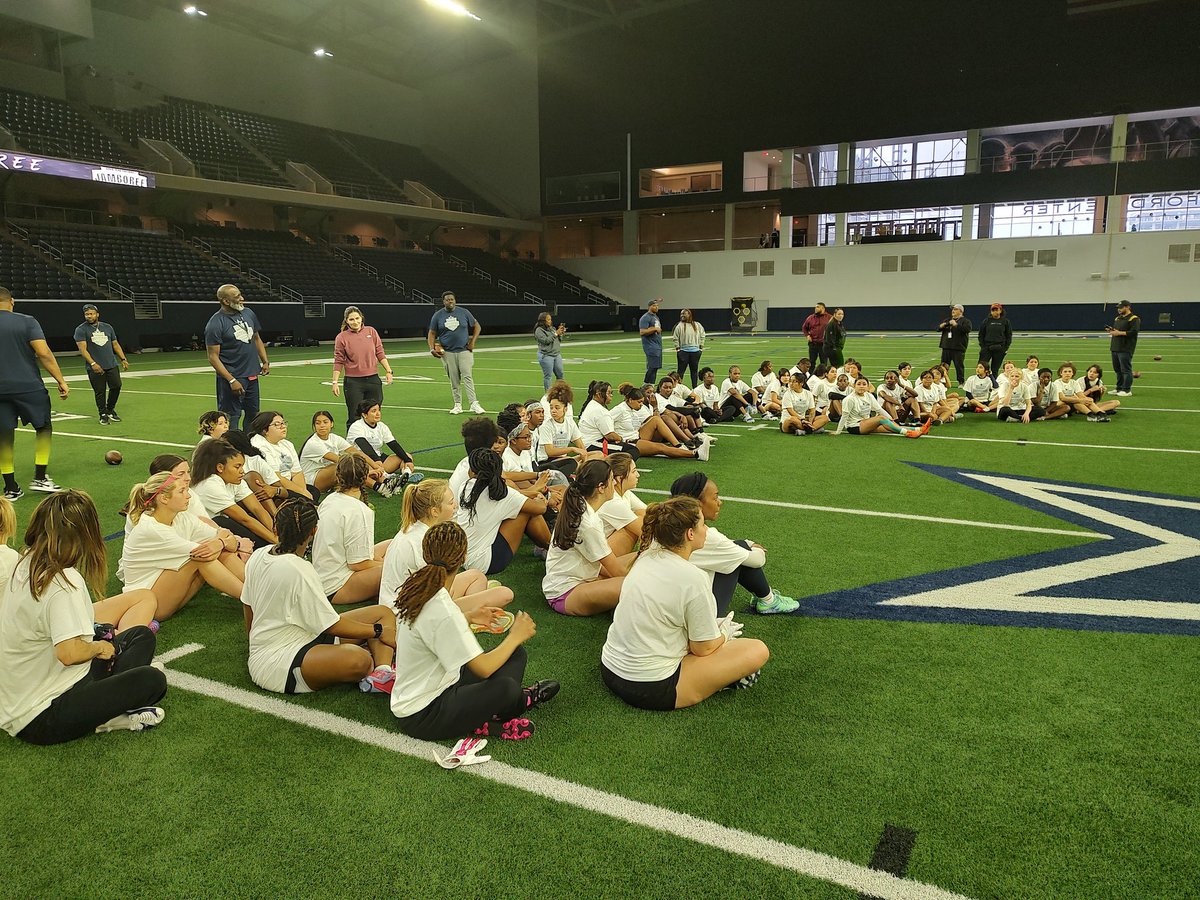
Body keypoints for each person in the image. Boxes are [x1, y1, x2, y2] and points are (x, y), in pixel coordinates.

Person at [0, 490, 167, 745]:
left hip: (25, 697)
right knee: (152, 680)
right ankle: (108, 715)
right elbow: (69, 654)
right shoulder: (64, 582)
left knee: (140, 636)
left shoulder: (24, 562)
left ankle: (108, 705)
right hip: (42, 714)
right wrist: (99, 646)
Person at [390, 521, 558, 742]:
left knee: (516, 655)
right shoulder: (442, 607)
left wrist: (468, 617)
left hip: (438, 687)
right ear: (463, 557)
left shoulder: (419, 588)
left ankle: (487, 714)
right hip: (425, 714)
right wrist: (516, 635)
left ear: (426, 552)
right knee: (507, 687)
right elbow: (484, 668)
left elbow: (432, 627)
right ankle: (500, 713)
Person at [600, 495, 769, 711]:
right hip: (651, 686)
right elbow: (702, 648)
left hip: (610, 668)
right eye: (702, 524)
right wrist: (724, 633)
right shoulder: (692, 577)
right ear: (690, 534)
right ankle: (721, 680)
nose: (706, 529)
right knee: (757, 650)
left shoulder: (646, 556)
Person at [242, 497, 398, 696]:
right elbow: (331, 625)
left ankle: (382, 672)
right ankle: (374, 661)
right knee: (359, 660)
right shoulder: (299, 569)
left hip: (307, 635)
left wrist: (252, 639)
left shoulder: (259, 554)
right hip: (281, 659)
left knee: (382, 613)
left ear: (276, 528)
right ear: (313, 531)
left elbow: (247, 605)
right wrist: (376, 632)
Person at [669, 473, 800, 617]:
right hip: (698, 619)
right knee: (738, 555)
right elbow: (757, 561)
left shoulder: (667, 525)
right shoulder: (707, 537)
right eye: (715, 497)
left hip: (669, 607)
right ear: (698, 505)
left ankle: (768, 599)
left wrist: (745, 544)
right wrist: (754, 548)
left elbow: (723, 547)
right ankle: (769, 600)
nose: (720, 502)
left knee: (737, 549)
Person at [121, 472, 246, 620]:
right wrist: (221, 540)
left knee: (220, 551)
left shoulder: (182, 517)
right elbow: (206, 552)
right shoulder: (152, 529)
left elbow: (230, 544)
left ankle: (259, 590)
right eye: (182, 491)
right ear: (164, 498)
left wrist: (221, 542)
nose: (188, 496)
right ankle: (253, 599)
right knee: (200, 557)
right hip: (149, 604)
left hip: (169, 590)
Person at [381, 479, 513, 617]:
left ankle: (472, 610)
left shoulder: (414, 529)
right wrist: (457, 559)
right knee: (505, 594)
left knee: (477, 575)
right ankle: (470, 617)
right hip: (412, 615)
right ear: (434, 511)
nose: (455, 505)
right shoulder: (427, 542)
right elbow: (438, 596)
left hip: (406, 604)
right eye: (450, 502)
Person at [0, 285, 68, 500]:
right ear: (12, 301)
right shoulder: (27, 321)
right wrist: (60, 380)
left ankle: (10, 487)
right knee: (44, 427)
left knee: (3, 437)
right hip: (28, 386)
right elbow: (43, 352)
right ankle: (40, 477)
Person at [542, 459, 634, 617]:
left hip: (583, 580)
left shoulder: (582, 507)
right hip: (566, 592)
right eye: (612, 479)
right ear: (600, 487)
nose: (615, 483)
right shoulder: (587, 521)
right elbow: (615, 570)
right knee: (634, 585)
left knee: (642, 558)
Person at [455, 448, 549, 575]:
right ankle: (554, 549)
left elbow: (516, 495)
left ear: (472, 472)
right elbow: (540, 508)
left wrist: (534, 492)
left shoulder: (465, 486)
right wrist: (540, 498)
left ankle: (546, 548)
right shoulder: (503, 494)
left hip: (462, 556)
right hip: (486, 563)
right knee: (527, 510)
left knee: (522, 505)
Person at [312, 456, 390, 604]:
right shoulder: (359, 511)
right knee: (398, 567)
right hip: (336, 586)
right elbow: (357, 564)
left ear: (338, 476)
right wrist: (387, 564)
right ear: (365, 477)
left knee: (393, 544)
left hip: (325, 577)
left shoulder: (330, 499)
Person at [205, 284, 269, 431]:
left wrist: (265, 361)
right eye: (237, 297)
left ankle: (249, 445)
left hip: (252, 374)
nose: (242, 299)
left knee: (253, 414)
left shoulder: (248, 313)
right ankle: (231, 448)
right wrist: (231, 379)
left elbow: (256, 338)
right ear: (226, 301)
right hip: (233, 377)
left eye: (240, 295)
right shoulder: (215, 323)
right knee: (231, 416)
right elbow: (213, 357)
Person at [190, 437, 277, 547]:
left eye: (242, 466)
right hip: (204, 532)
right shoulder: (210, 485)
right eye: (237, 467)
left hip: (223, 527)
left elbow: (257, 509)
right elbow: (244, 519)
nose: (242, 471)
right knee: (223, 521)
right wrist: (276, 542)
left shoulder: (235, 480)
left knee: (253, 519)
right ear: (220, 468)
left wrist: (275, 534)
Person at [331, 306, 393, 430]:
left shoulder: (371, 331)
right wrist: (335, 382)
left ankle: (372, 444)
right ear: (346, 321)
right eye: (351, 319)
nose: (355, 322)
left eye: (357, 318)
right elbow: (338, 360)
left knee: (373, 415)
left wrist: (388, 371)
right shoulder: (341, 337)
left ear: (362, 318)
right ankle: (353, 446)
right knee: (355, 416)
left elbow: (379, 352)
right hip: (353, 383)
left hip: (373, 380)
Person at [346, 401, 419, 495]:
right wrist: (376, 461)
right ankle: (387, 481)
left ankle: (404, 477)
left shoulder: (381, 426)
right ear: (364, 414)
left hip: (379, 462)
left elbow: (393, 444)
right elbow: (364, 446)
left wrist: (407, 460)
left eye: (379, 410)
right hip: (362, 461)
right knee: (363, 469)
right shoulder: (356, 426)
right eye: (373, 411)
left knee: (407, 456)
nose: (378, 413)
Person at [428, 291, 483, 415]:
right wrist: (432, 348)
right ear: (444, 302)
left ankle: (474, 403)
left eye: (452, 299)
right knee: (454, 379)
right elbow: (431, 333)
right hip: (447, 352)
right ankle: (457, 405)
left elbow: (477, 326)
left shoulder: (464, 312)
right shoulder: (438, 315)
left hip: (464, 350)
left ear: (455, 300)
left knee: (467, 376)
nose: (450, 301)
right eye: (447, 300)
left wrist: (472, 341)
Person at [73, 303, 129, 426]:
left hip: (111, 364)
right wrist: (93, 363)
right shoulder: (81, 330)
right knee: (100, 391)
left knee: (116, 386)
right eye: (86, 314)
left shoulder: (107, 327)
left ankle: (110, 409)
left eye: (91, 313)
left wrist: (123, 358)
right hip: (95, 366)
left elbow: (115, 344)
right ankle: (102, 414)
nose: (89, 316)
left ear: (97, 314)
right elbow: (83, 349)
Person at [248, 411, 312, 501]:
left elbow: (296, 472)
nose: (283, 426)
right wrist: (301, 494)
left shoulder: (287, 444)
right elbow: (275, 478)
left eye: (283, 423)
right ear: (264, 430)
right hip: (273, 487)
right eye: (277, 424)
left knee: (313, 491)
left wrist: (303, 491)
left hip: (287, 483)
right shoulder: (259, 445)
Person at [836, 378, 929, 437]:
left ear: (868, 386)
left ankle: (919, 429)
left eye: (864, 384)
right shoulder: (849, 399)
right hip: (854, 426)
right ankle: (907, 433)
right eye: (859, 384)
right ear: (854, 386)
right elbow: (844, 416)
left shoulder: (869, 395)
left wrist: (890, 419)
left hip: (866, 423)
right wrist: (838, 431)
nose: (861, 386)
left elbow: (879, 409)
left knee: (890, 428)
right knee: (881, 418)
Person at [579, 381, 642, 458]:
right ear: (599, 394)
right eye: (608, 393)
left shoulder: (592, 404)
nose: (611, 395)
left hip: (589, 442)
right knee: (632, 450)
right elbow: (610, 436)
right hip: (593, 444)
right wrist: (621, 439)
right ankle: (614, 466)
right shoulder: (600, 411)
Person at [1106, 300, 1140, 396]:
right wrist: (1112, 331)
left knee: (1126, 370)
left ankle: (1126, 390)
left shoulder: (1134, 319)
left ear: (1127, 307)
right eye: (1118, 307)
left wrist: (1119, 333)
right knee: (1117, 370)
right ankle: (1119, 388)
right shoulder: (1118, 318)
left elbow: (1134, 332)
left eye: (1121, 307)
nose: (1119, 309)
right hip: (1115, 346)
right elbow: (1117, 331)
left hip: (1125, 347)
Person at [977, 303, 1013, 383]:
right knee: (981, 368)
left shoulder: (1005, 322)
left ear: (1000, 310)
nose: (995, 312)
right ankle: (980, 383)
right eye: (993, 310)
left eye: (996, 310)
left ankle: (994, 384)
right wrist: (983, 347)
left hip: (999, 349)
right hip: (987, 348)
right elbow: (981, 335)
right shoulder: (986, 321)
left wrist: (1005, 348)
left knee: (995, 369)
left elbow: (1008, 336)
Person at [937, 303, 972, 385]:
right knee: (943, 366)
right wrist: (945, 324)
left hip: (958, 347)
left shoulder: (965, 321)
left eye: (955, 309)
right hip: (946, 347)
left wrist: (956, 325)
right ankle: (942, 381)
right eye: (953, 309)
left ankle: (961, 381)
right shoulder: (947, 320)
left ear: (961, 311)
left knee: (959, 366)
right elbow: (938, 328)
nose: (953, 311)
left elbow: (967, 329)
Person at [671, 308, 705, 387]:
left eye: (684, 314)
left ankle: (695, 387)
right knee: (680, 372)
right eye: (681, 314)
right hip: (683, 351)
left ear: (689, 315)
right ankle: (678, 388)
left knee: (694, 371)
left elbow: (702, 335)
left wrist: (700, 348)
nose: (682, 315)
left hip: (695, 352)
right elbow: (675, 337)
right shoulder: (679, 326)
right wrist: (678, 349)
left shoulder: (697, 325)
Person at [534, 312, 566, 392]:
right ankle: (548, 394)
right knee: (548, 376)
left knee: (560, 374)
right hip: (546, 355)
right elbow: (545, 341)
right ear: (543, 321)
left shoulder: (552, 328)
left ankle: (560, 391)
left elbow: (558, 340)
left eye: (550, 319)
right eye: (548, 319)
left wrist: (561, 333)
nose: (550, 321)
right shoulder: (539, 330)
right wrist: (556, 334)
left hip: (556, 354)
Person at [639, 298, 664, 385]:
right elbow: (642, 332)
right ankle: (645, 384)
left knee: (655, 367)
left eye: (657, 306)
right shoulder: (646, 317)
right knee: (652, 366)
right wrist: (654, 329)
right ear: (649, 307)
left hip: (657, 345)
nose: (656, 307)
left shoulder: (655, 317)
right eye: (654, 306)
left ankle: (651, 385)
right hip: (651, 346)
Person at [801, 302, 830, 369]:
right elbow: (804, 327)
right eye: (815, 307)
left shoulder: (829, 318)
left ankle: (823, 376)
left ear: (823, 308)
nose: (816, 309)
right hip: (813, 344)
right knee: (811, 362)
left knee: (824, 362)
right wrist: (807, 335)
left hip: (824, 344)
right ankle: (810, 376)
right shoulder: (810, 318)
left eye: (818, 307)